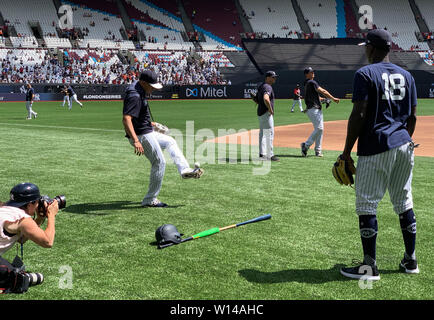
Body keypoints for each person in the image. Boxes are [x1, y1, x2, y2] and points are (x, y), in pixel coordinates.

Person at [339, 29, 419, 281]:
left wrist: (346, 152)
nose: (365, 50)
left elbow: (359, 114)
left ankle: (369, 267)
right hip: (405, 144)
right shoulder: (407, 75)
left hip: (376, 145)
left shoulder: (364, 74)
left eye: (366, 47)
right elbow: (413, 116)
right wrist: (405, 137)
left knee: (367, 204)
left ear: (371, 48)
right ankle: (410, 260)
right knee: (404, 202)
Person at [122, 70, 204, 208]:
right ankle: (150, 199)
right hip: (142, 135)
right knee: (159, 163)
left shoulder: (139, 87)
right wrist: (136, 140)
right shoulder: (135, 95)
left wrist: (152, 125)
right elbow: (126, 119)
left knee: (170, 141)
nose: (153, 88)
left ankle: (184, 170)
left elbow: (139, 116)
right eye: (151, 85)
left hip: (146, 131)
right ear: (143, 83)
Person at [0, 183, 59, 292]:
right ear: (29, 204)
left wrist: (39, 219)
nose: (38, 205)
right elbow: (48, 242)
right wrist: (51, 215)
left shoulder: (4, 208)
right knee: (20, 279)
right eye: (37, 202)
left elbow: (20, 239)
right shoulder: (23, 219)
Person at [300, 67, 340, 157]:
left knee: (319, 130)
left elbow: (316, 97)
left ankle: (318, 150)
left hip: (314, 108)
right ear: (306, 74)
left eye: (313, 71)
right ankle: (305, 146)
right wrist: (333, 98)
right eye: (311, 72)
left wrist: (325, 100)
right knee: (319, 128)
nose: (313, 73)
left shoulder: (307, 83)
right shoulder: (311, 82)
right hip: (314, 109)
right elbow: (323, 91)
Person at [257, 71, 279, 161]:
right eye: (273, 77)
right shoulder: (267, 87)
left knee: (262, 134)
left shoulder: (261, 86)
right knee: (269, 133)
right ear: (267, 78)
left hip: (261, 113)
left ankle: (262, 154)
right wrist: (270, 109)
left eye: (275, 77)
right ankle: (270, 155)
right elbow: (266, 98)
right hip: (266, 113)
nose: (274, 78)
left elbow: (258, 99)